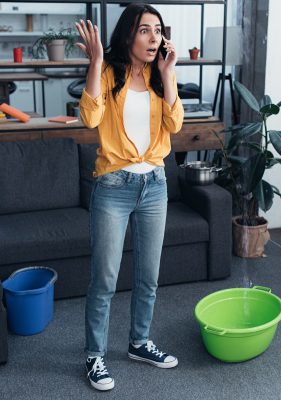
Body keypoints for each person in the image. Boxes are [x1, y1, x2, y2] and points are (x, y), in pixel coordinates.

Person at [76, 2, 184, 392]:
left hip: (155, 184)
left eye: (158, 30)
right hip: (113, 188)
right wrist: (95, 62)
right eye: (145, 30)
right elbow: (89, 118)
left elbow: (175, 123)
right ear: (128, 35)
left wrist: (169, 74)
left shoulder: (160, 75)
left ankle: (139, 342)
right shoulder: (107, 73)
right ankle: (94, 356)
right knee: (104, 279)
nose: (154, 37)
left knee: (148, 277)